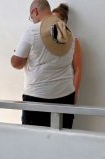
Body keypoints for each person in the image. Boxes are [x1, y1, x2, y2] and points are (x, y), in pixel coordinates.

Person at [11, 0, 76, 128]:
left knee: (34, 143)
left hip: (38, 98)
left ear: (35, 11)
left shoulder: (32, 31)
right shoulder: (67, 31)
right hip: (66, 96)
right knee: (63, 141)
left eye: (31, 17)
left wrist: (17, 55)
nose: (32, 20)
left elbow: (17, 64)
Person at [52, 3, 82, 102]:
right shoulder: (44, 40)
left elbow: (78, 69)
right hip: (46, 92)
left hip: (65, 92)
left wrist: (75, 93)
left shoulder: (74, 41)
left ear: (64, 22)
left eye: (56, 20)